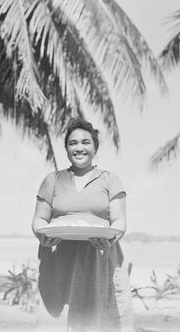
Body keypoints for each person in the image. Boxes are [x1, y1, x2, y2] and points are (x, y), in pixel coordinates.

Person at [32, 119, 134, 332]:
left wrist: (111, 238)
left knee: (98, 321)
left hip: (100, 257)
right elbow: (39, 219)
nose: (79, 148)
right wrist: (42, 235)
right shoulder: (52, 180)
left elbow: (119, 221)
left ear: (95, 147)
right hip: (59, 258)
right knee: (60, 322)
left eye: (86, 142)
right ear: (66, 148)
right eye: (73, 143)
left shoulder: (110, 180)